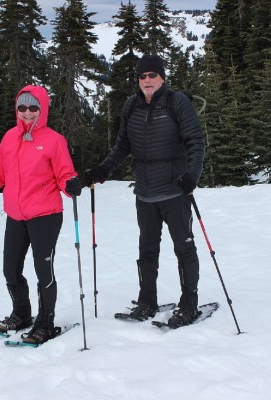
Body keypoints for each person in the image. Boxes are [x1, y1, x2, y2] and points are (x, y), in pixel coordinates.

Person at [84, 54, 205, 328]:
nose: (147, 80)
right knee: (147, 250)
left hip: (175, 191)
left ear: (162, 77)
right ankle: (147, 301)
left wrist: (192, 176)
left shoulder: (177, 102)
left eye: (152, 75)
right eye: (142, 76)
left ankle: (189, 304)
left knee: (183, 249)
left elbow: (195, 140)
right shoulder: (131, 105)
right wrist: (102, 171)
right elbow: (122, 146)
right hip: (145, 193)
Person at [0, 84, 82, 344]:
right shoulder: (9, 138)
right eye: (22, 107)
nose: (27, 112)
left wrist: (70, 185)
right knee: (10, 269)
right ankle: (22, 314)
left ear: (42, 109)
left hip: (45, 215)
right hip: (15, 215)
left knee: (42, 269)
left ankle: (45, 323)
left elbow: (64, 175)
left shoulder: (54, 140)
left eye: (33, 107)